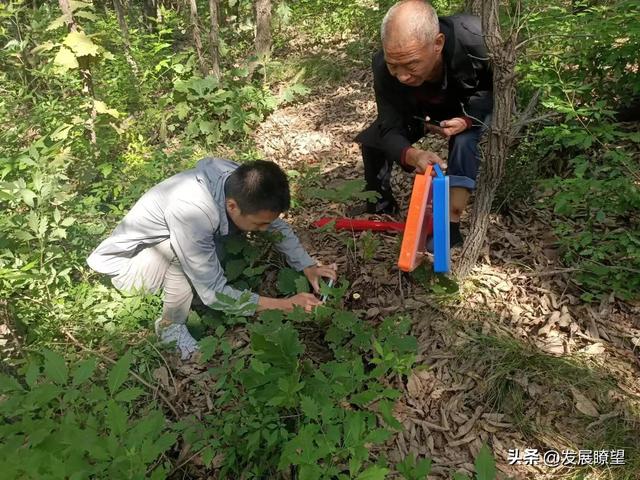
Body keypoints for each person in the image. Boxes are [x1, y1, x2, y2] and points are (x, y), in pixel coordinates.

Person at [87, 158, 337, 360]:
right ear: (231, 206)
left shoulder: (236, 180)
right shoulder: (192, 213)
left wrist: (308, 266)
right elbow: (214, 294)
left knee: (204, 247)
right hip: (129, 268)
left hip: (163, 245)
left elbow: (275, 224)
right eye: (259, 224)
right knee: (181, 250)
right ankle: (170, 327)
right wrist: (285, 304)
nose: (264, 229)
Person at [354, 0, 493, 248]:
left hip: (464, 107)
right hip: (419, 112)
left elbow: (493, 92)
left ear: (438, 44)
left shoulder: (477, 40)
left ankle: (450, 226)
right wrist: (412, 154)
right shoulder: (382, 66)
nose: (402, 75)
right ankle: (381, 205)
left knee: (464, 142)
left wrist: (467, 120)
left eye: (411, 64)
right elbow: (389, 124)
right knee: (373, 140)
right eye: (393, 65)